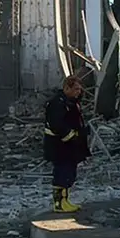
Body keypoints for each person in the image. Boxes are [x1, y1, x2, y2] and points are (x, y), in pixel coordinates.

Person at [43, 76, 91, 213]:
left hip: (70, 146)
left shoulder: (71, 102)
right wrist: (71, 136)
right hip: (60, 146)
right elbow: (57, 124)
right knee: (62, 173)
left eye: (80, 89)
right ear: (66, 88)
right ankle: (59, 203)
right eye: (76, 89)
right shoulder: (57, 103)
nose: (78, 92)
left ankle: (65, 200)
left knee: (69, 173)